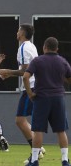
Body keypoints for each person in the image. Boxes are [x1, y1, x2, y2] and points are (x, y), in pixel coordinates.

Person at [0, 24, 45, 163]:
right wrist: (10, 75)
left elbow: (25, 71)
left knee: (20, 120)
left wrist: (7, 71)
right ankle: (38, 149)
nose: (16, 32)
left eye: (18, 30)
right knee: (25, 121)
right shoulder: (31, 46)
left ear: (22, 33)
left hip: (31, 86)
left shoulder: (24, 47)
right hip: (35, 85)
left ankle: (37, 151)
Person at [23, 37, 71, 166]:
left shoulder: (37, 61)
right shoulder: (62, 61)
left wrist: (30, 94)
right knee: (61, 130)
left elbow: (25, 77)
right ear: (57, 49)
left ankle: (34, 160)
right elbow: (69, 78)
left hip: (42, 98)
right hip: (58, 98)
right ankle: (65, 160)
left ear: (44, 47)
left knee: (38, 130)